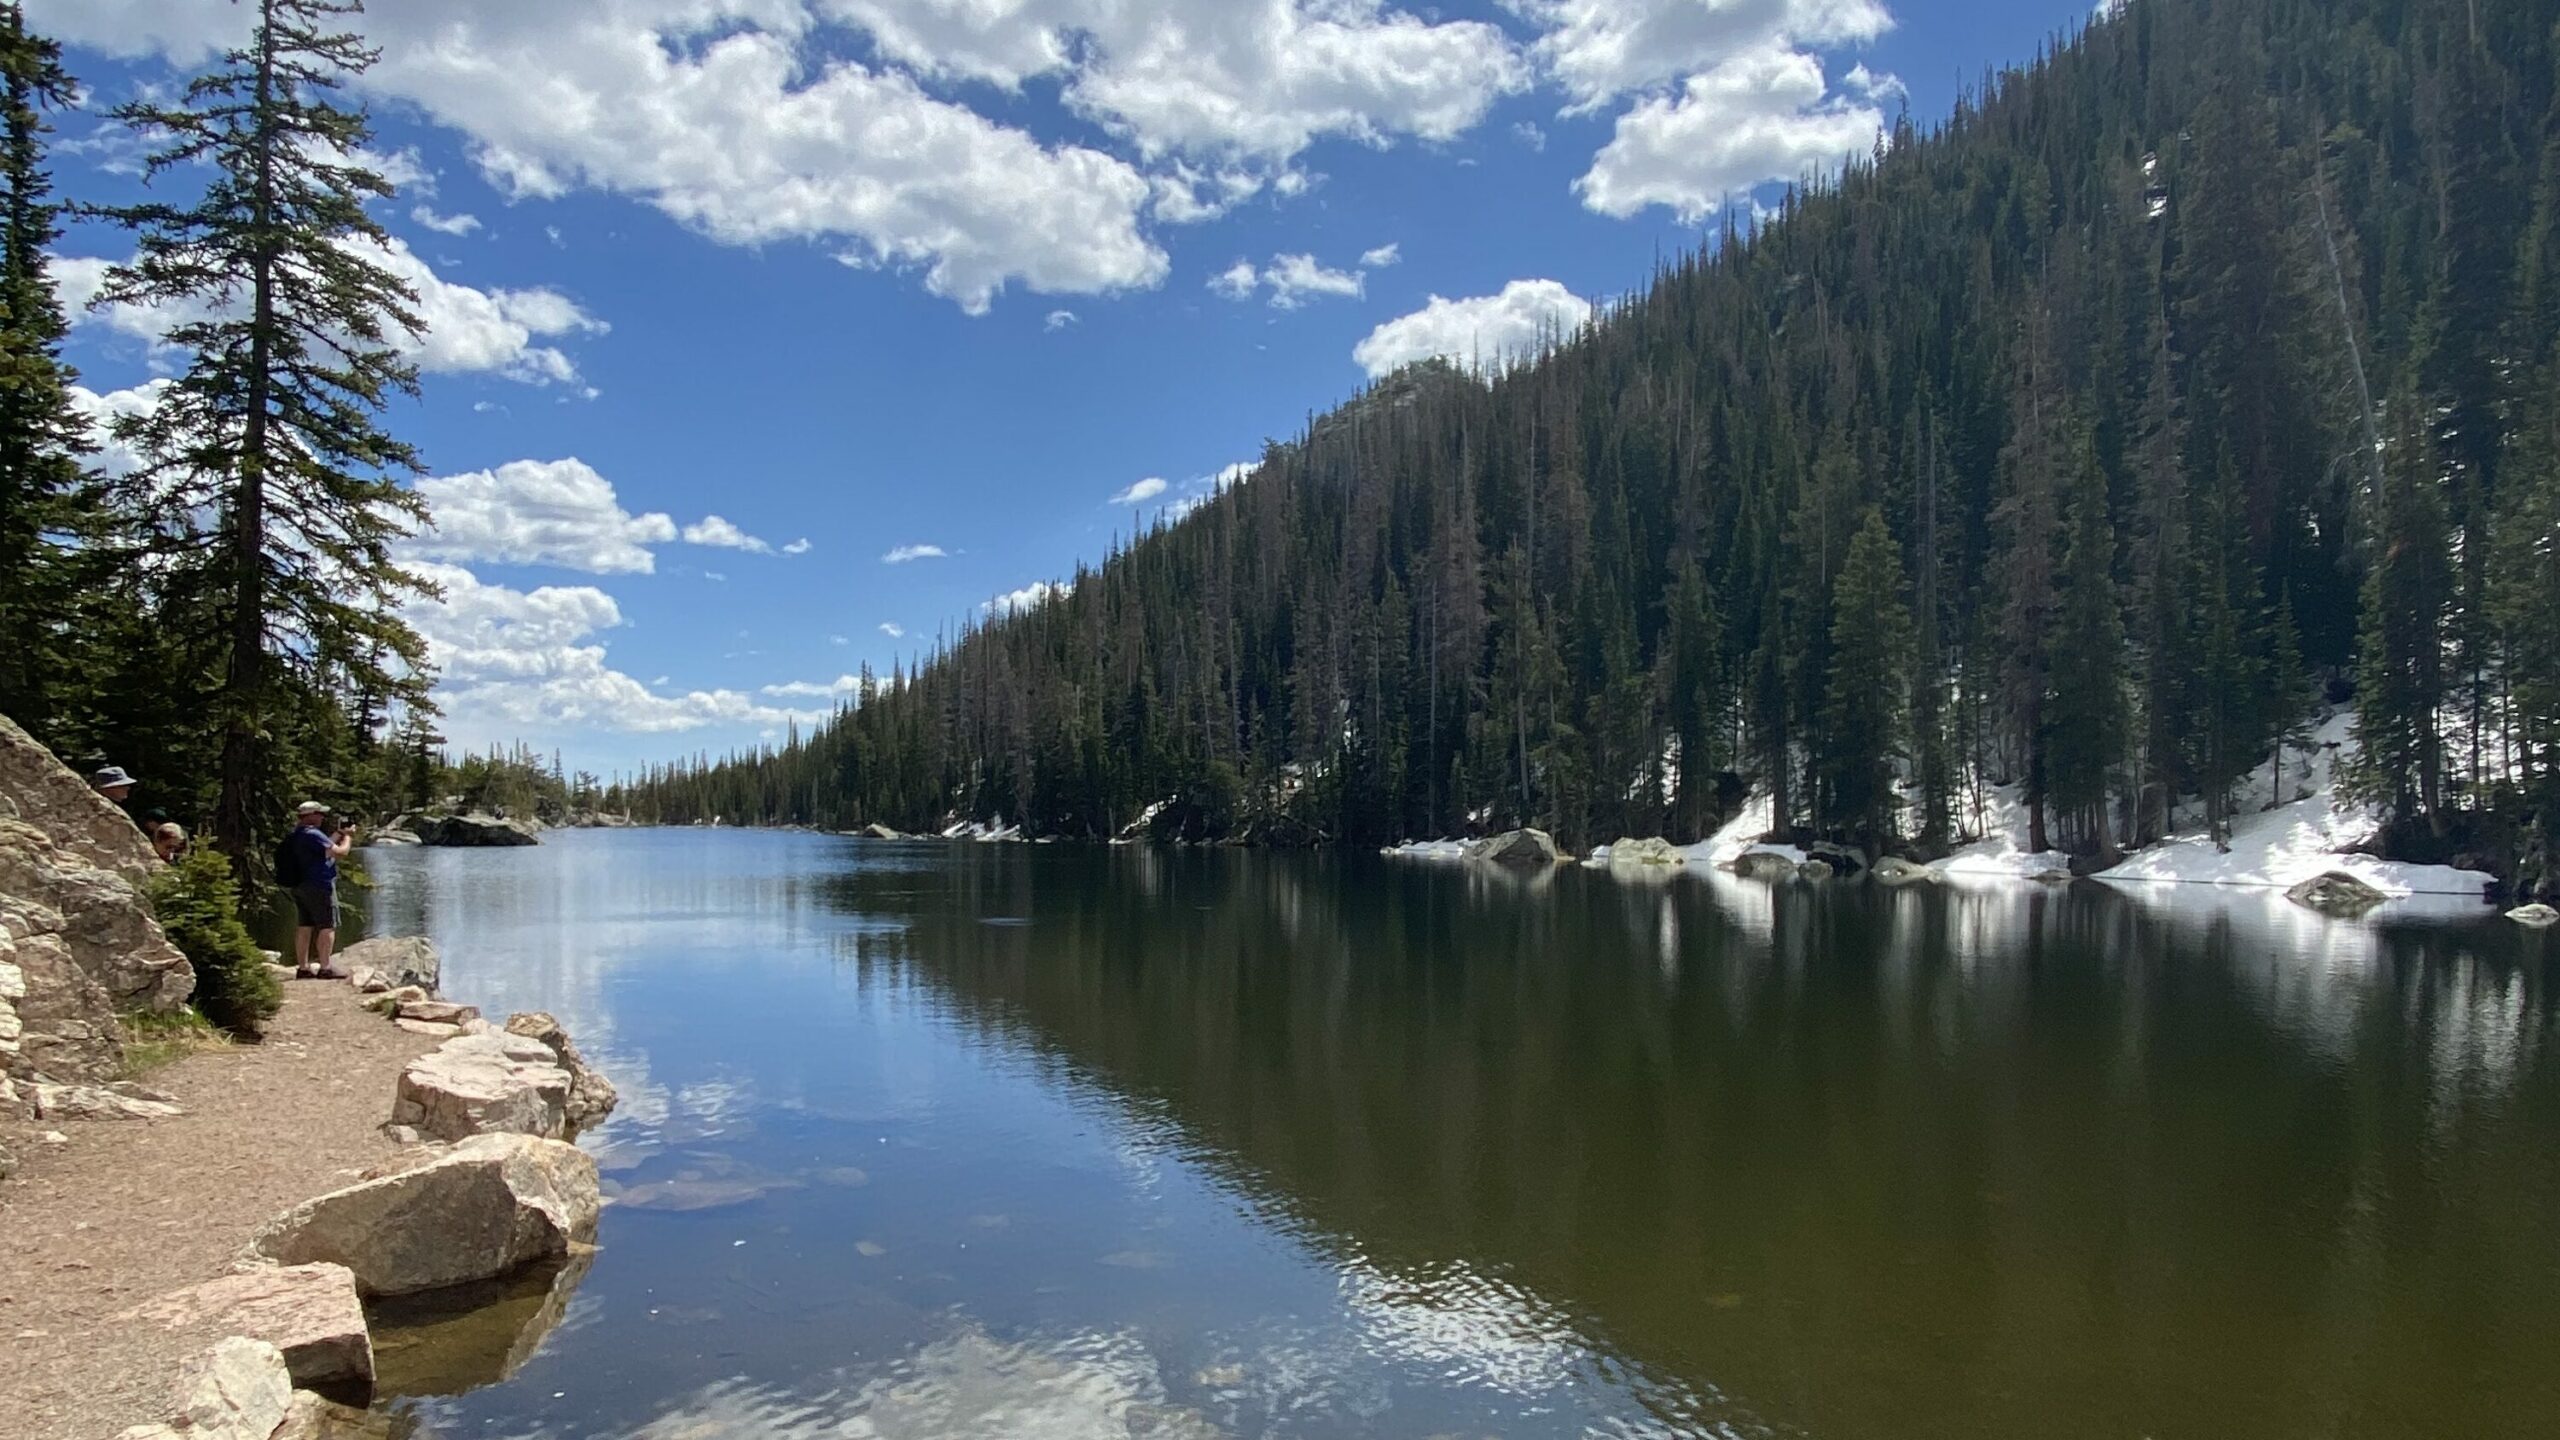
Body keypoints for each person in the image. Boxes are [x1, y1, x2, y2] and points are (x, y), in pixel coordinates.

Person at [282, 801, 355, 979]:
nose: (322, 817)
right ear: (311, 816)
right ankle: (325, 967)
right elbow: (339, 852)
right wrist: (348, 837)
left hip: (300, 885)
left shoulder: (297, 834)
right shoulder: (313, 833)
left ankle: (303, 967)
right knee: (327, 925)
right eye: (320, 813)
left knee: (305, 925)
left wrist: (338, 833)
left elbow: (325, 848)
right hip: (319, 885)